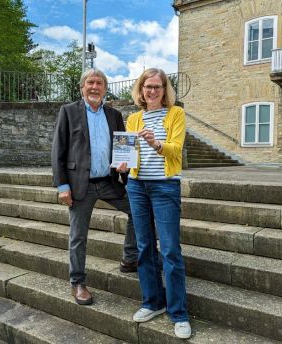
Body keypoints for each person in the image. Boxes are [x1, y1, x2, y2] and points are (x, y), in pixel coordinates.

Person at [51, 68, 138, 306]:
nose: (95, 87)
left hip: (109, 182)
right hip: (80, 185)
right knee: (78, 236)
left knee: (138, 210)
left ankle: (130, 259)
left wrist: (125, 170)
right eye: (91, 82)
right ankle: (77, 283)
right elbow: (58, 150)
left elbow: (122, 149)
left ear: (105, 88)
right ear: (82, 87)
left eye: (100, 83)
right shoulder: (69, 112)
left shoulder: (114, 114)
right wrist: (62, 186)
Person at [124, 68, 192, 339]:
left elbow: (176, 149)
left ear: (165, 90)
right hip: (137, 185)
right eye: (147, 86)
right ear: (140, 90)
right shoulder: (134, 118)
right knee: (144, 247)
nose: (152, 91)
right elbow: (129, 152)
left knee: (171, 250)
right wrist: (123, 164)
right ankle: (152, 301)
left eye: (157, 86)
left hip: (165, 186)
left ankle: (179, 313)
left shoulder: (176, 114)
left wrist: (157, 143)